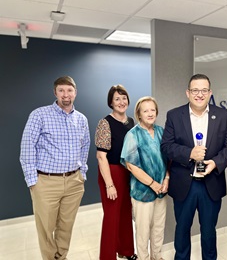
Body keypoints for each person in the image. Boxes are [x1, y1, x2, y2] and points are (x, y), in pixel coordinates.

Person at [161, 74, 227, 260]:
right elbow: (166, 146)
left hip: (211, 183)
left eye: (204, 90)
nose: (199, 94)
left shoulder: (222, 115)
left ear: (210, 93)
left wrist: (216, 163)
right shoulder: (174, 115)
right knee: (182, 230)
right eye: (195, 90)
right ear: (188, 93)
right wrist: (189, 154)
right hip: (184, 184)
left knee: (209, 232)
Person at [19, 76, 90, 260]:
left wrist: (82, 173)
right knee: (46, 228)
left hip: (74, 182)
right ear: (55, 92)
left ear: (75, 92)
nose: (65, 95)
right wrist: (33, 181)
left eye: (69, 90)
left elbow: (85, 147)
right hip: (46, 182)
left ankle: (62, 257)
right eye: (61, 90)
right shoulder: (39, 115)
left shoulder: (81, 119)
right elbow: (27, 147)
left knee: (66, 226)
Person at [121, 96, 169, 260]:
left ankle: (157, 256)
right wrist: (153, 184)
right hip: (143, 192)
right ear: (139, 114)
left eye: (152, 110)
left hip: (162, 190)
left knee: (158, 227)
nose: (150, 113)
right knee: (143, 231)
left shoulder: (162, 132)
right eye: (145, 110)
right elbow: (131, 165)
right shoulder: (133, 135)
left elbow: (169, 160)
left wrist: (166, 179)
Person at [95, 85, 138, 260]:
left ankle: (126, 251)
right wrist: (109, 184)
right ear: (111, 103)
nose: (121, 102)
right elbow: (101, 156)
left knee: (126, 213)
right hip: (111, 173)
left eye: (124, 98)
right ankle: (107, 257)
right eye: (117, 99)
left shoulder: (131, 122)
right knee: (112, 217)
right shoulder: (105, 123)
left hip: (128, 172)